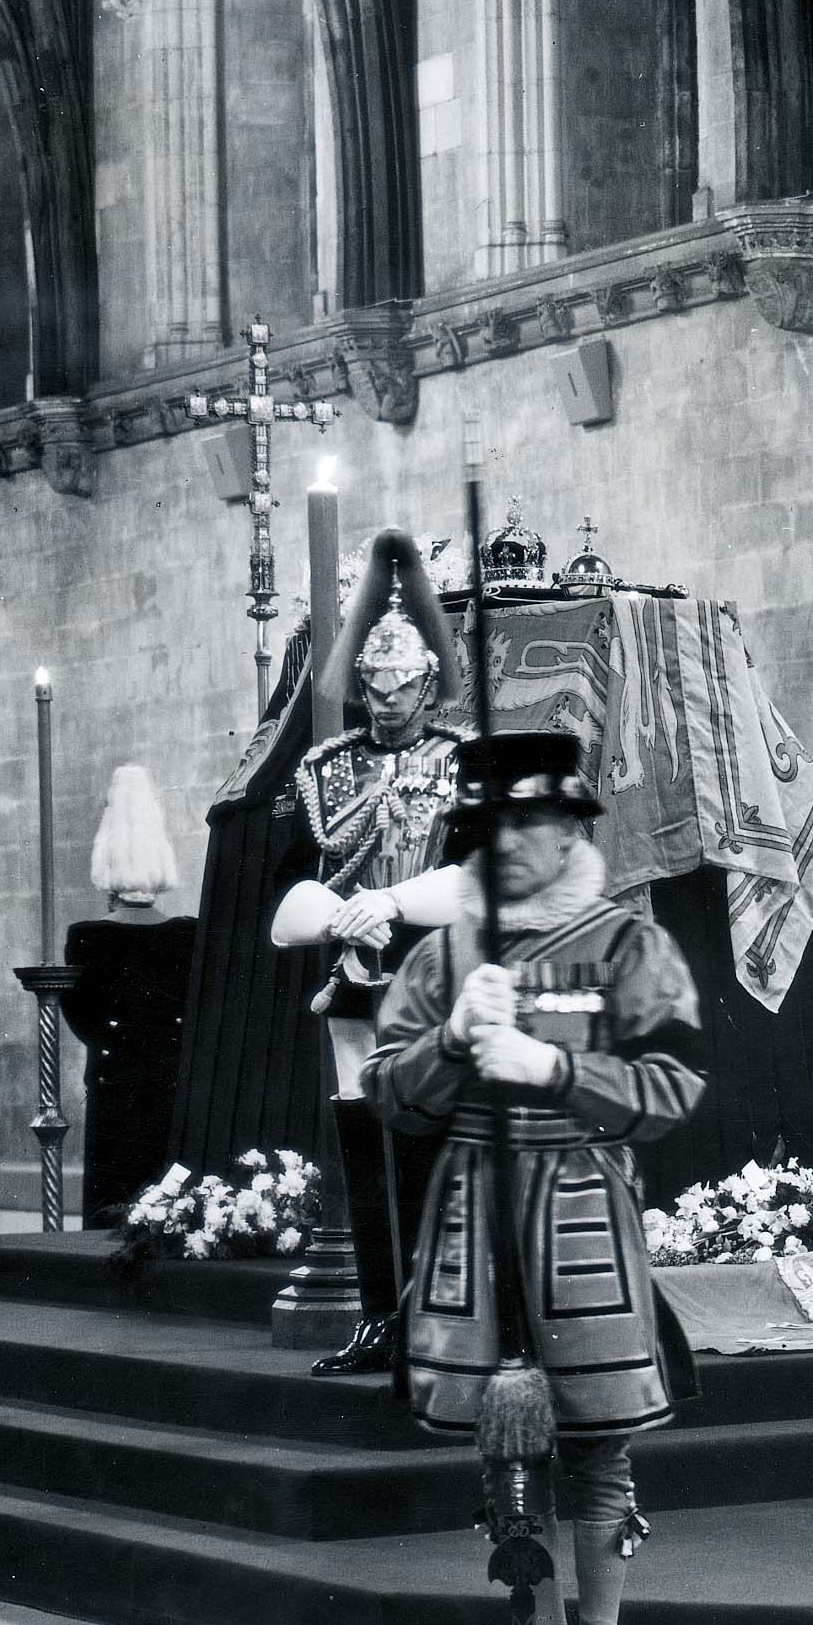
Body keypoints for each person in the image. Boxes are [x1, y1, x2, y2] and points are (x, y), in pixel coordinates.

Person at [361, 730, 706, 1625]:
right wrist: (451, 1042)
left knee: (596, 1451)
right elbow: (386, 1090)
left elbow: (674, 1083)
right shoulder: (441, 954)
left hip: (579, 1212)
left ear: (569, 831)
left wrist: (554, 1070)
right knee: (503, 1455)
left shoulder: (624, 945)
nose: (509, 840)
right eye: (489, 823)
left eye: (532, 820)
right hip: (473, 1212)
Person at [269, 528, 465, 1373]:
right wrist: (341, 917)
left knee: (428, 1154)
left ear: (428, 683)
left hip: (435, 978)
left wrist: (392, 903)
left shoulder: (462, 763)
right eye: (375, 687)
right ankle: (382, 1315)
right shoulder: (325, 769)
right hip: (353, 975)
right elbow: (285, 884)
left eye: (403, 687)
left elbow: (475, 875)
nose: (388, 703)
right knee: (365, 1157)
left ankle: (438, 1317)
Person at [62, 767, 197, 1229]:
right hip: (169, 1070)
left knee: (113, 1184)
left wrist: (117, 1037)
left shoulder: (87, 936)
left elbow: (80, 1013)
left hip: (115, 1070)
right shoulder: (187, 933)